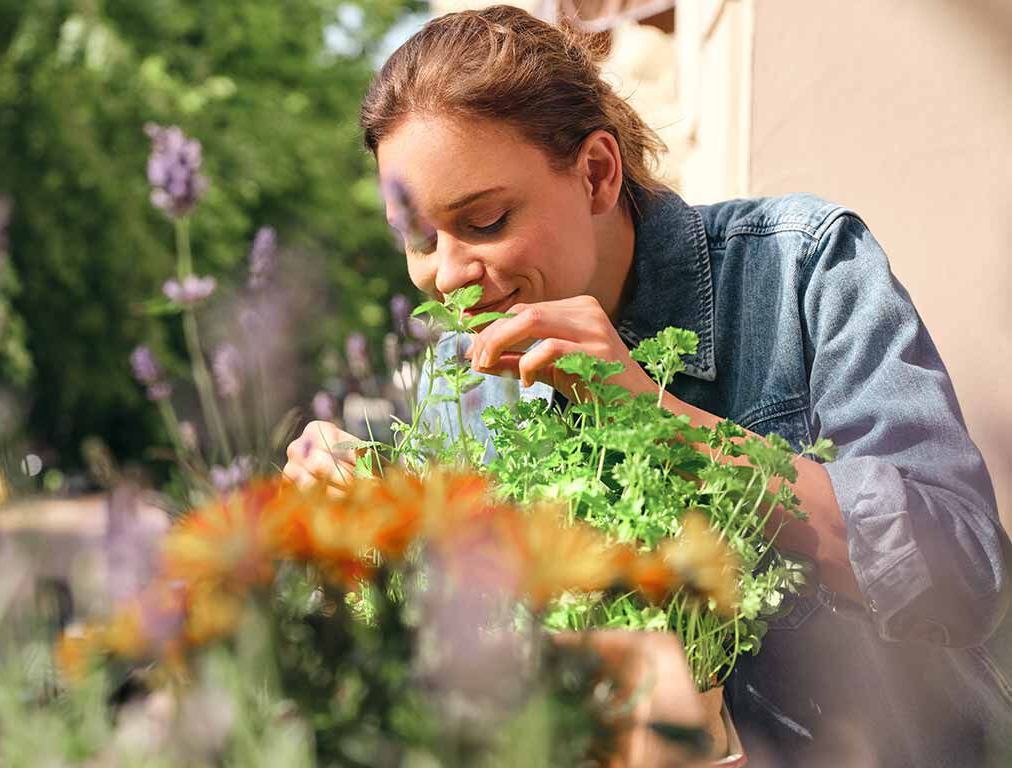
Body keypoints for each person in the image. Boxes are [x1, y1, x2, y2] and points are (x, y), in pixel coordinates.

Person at [281, 6, 1010, 765]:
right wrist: (374, 526)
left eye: (487, 220)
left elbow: (963, 572)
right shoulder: (465, 388)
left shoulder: (801, 270)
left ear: (597, 171)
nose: (450, 275)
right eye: (421, 239)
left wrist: (658, 421)